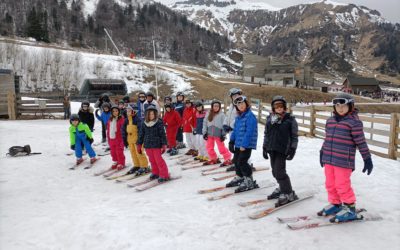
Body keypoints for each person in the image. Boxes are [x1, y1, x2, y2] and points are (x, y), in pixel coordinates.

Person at [319, 93, 373, 223]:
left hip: (343, 161)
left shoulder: (354, 123)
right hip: (329, 159)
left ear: (351, 106)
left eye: (343, 105)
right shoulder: (330, 121)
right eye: (337, 105)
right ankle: (335, 203)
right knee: (330, 183)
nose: (340, 108)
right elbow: (327, 139)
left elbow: (361, 142)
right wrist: (322, 152)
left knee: (342, 185)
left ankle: (350, 208)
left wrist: (367, 158)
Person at [263, 96, 298, 207]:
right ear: (273, 107)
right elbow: (267, 134)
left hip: (282, 150)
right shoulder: (270, 119)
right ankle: (282, 187)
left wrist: (293, 149)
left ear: (284, 107)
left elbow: (294, 136)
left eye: (281, 106)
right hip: (272, 149)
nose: (279, 108)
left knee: (280, 172)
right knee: (274, 172)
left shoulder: (290, 119)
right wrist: (264, 147)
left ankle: (288, 193)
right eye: (276, 106)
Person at [227, 96, 258, 192]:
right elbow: (235, 130)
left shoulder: (250, 116)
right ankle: (240, 176)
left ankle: (249, 180)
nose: (241, 106)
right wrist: (232, 141)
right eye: (238, 104)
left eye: (242, 103)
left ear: (246, 103)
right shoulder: (238, 117)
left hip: (246, 145)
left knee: (242, 162)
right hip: (238, 144)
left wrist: (244, 145)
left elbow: (249, 132)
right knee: (236, 161)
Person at [137, 105, 170, 183]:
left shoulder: (158, 122)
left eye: (153, 114)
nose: (151, 115)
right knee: (152, 160)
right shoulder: (144, 123)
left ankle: (164, 174)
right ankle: (155, 172)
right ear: (147, 114)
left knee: (159, 160)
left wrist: (164, 144)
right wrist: (139, 144)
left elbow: (162, 134)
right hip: (148, 145)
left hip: (157, 145)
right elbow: (141, 134)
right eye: (150, 114)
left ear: (155, 114)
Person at [122, 104, 150, 176]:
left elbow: (141, 131)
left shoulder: (138, 120)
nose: (127, 112)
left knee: (139, 153)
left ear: (134, 111)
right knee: (133, 153)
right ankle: (137, 165)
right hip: (130, 140)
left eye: (129, 111)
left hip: (137, 140)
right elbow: (123, 130)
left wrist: (140, 141)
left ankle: (144, 166)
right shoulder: (126, 120)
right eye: (127, 110)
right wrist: (125, 140)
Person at [202, 99, 232, 166]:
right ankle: (213, 158)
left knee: (221, 148)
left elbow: (225, 125)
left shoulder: (222, 115)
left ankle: (228, 159)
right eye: (214, 106)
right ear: (212, 106)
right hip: (209, 134)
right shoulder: (208, 114)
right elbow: (204, 123)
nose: (216, 107)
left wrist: (223, 135)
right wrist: (204, 133)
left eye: (217, 106)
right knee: (209, 147)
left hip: (218, 135)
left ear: (219, 107)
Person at [223, 88, 243, 171]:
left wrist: (231, 126)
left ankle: (247, 163)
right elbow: (228, 116)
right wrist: (225, 124)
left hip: (238, 130)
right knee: (234, 147)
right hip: (231, 131)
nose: (235, 97)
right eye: (233, 96)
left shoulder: (241, 104)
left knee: (241, 148)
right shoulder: (231, 105)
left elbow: (239, 117)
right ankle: (236, 163)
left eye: (237, 95)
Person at [107, 105, 126, 170]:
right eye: (113, 111)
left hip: (119, 139)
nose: (115, 112)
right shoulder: (110, 119)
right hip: (111, 138)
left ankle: (121, 163)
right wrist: (108, 138)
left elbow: (123, 130)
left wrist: (123, 140)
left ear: (119, 111)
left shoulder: (121, 119)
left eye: (116, 111)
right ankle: (115, 161)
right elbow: (108, 129)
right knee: (113, 151)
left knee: (119, 151)